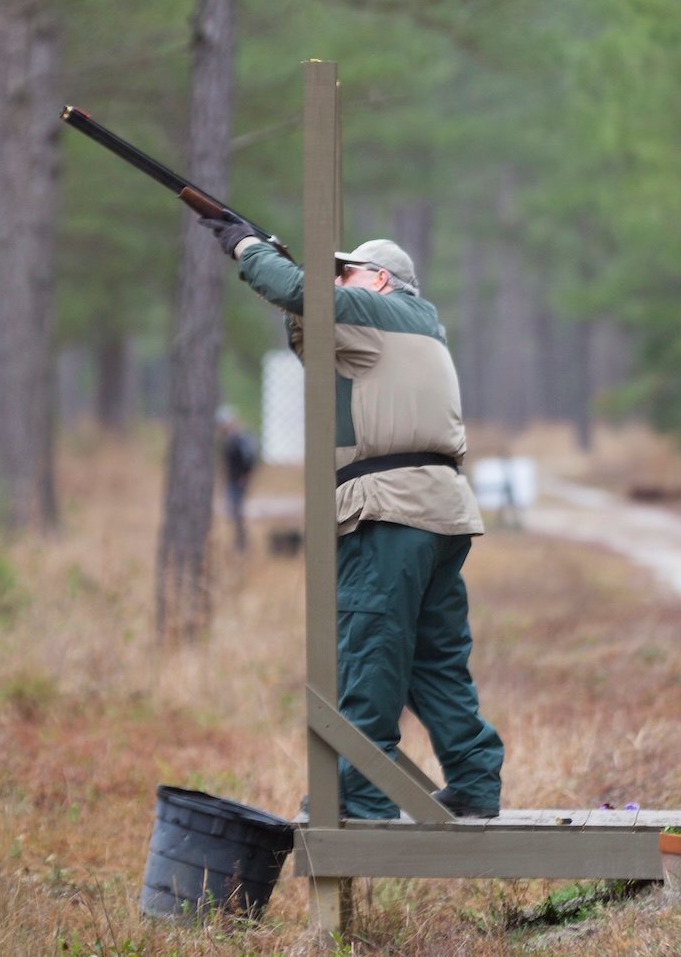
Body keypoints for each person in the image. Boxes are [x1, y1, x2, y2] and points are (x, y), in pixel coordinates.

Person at [212, 222, 504, 820]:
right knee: (433, 659)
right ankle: (475, 781)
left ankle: (363, 797)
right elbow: (315, 345)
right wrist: (294, 290)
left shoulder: (382, 314)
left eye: (346, 273)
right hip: (438, 512)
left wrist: (247, 249)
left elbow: (300, 295)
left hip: (392, 512)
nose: (338, 283)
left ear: (379, 280)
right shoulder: (413, 329)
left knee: (370, 647)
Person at [218, 407, 259, 554]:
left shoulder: (239, 438)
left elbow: (249, 458)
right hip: (233, 480)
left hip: (238, 480)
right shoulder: (230, 439)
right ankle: (240, 541)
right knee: (233, 511)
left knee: (236, 511)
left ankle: (242, 543)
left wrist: (245, 475)